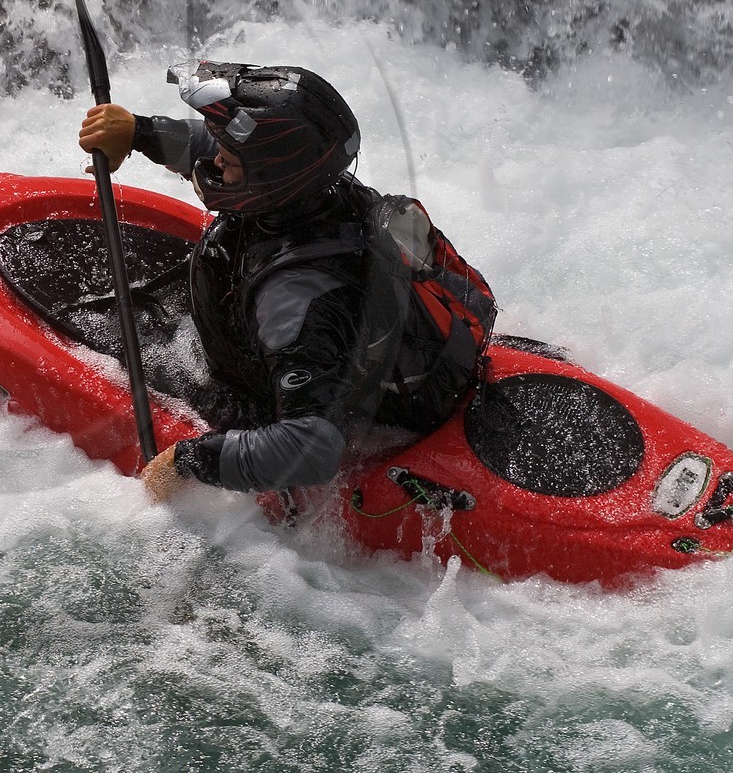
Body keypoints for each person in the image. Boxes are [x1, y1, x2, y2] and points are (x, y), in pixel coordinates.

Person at [77, 63, 496, 502]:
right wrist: (141, 133)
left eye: (229, 159)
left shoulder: (293, 298)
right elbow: (224, 151)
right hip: (364, 352)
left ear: (268, 179)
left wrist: (188, 462)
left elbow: (312, 450)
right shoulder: (316, 189)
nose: (215, 160)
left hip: (355, 411)